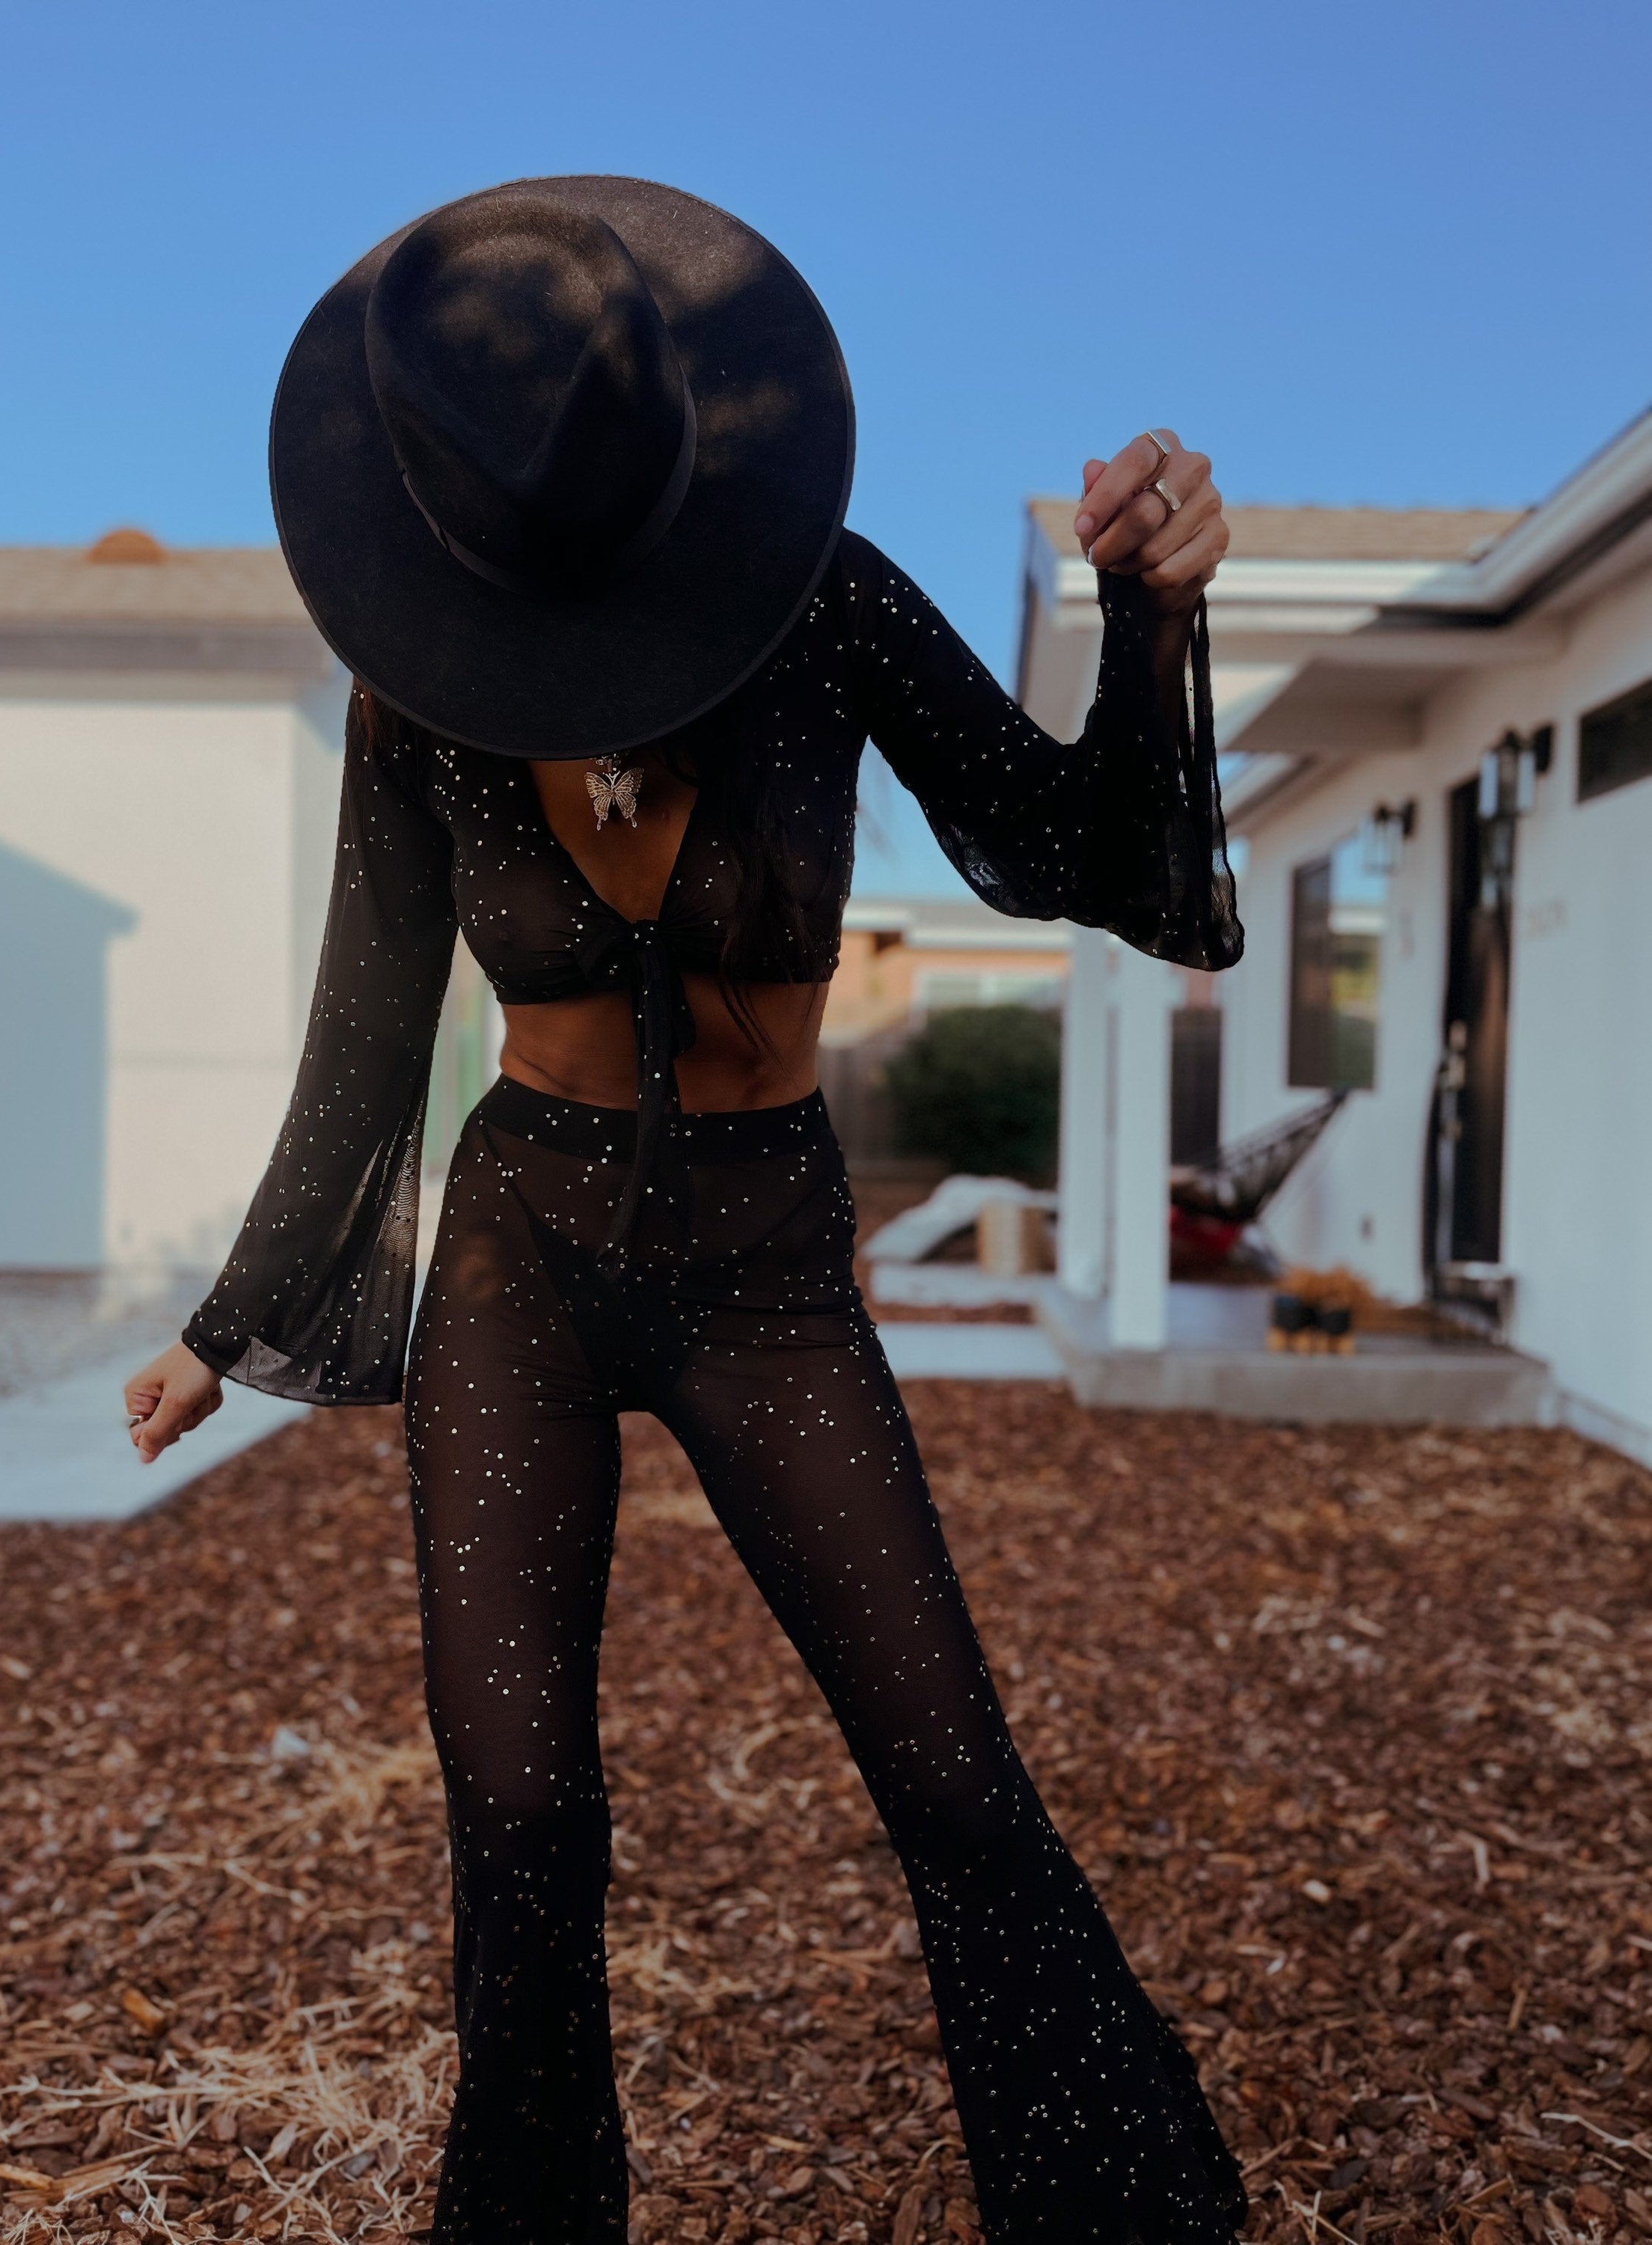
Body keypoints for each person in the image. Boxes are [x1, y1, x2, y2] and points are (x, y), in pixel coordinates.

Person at [126, 177, 1246, 2244]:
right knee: (520, 1816)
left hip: (765, 1269)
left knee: (950, 1778)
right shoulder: (419, 679)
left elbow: (1069, 850)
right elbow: (369, 1024)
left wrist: (1148, 617)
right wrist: (232, 1318)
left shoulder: (826, 604)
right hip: (520, 1255)